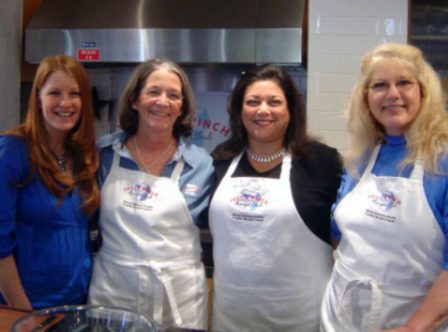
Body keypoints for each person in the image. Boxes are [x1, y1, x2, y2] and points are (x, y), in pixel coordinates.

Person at [320, 42, 448, 332]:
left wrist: (412, 328)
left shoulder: (442, 162)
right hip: (340, 319)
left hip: (410, 321)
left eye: (404, 82)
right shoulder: (361, 159)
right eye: (380, 85)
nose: (393, 94)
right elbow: (341, 237)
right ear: (366, 98)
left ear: (423, 92)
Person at [209, 64, 342, 332]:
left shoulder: (321, 162)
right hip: (231, 315)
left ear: (291, 110)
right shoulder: (222, 159)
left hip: (300, 316)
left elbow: (343, 235)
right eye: (253, 102)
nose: (262, 110)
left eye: (274, 102)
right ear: (239, 110)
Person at [88, 59, 214, 330]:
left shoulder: (201, 164)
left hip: (178, 300)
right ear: (134, 99)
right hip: (114, 294)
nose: (163, 102)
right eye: (153, 92)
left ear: (182, 107)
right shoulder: (105, 154)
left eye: (173, 95)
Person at [0, 55, 99, 310]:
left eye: (74, 93)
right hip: (27, 309)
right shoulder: (12, 152)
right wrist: (24, 314)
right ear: (37, 98)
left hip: (76, 307)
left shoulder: (83, 156)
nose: (65, 103)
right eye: (54, 93)